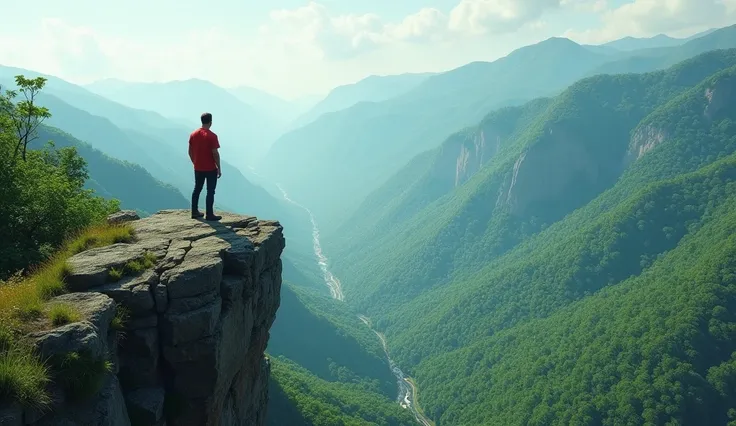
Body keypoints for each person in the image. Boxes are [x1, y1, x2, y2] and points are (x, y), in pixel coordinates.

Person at [189, 112, 222, 221]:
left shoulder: (193, 134)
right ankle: (209, 214)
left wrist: (195, 162)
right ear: (211, 122)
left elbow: (190, 151)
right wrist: (219, 167)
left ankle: (194, 212)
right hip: (210, 169)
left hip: (198, 168)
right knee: (210, 191)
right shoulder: (212, 136)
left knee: (197, 189)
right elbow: (215, 154)